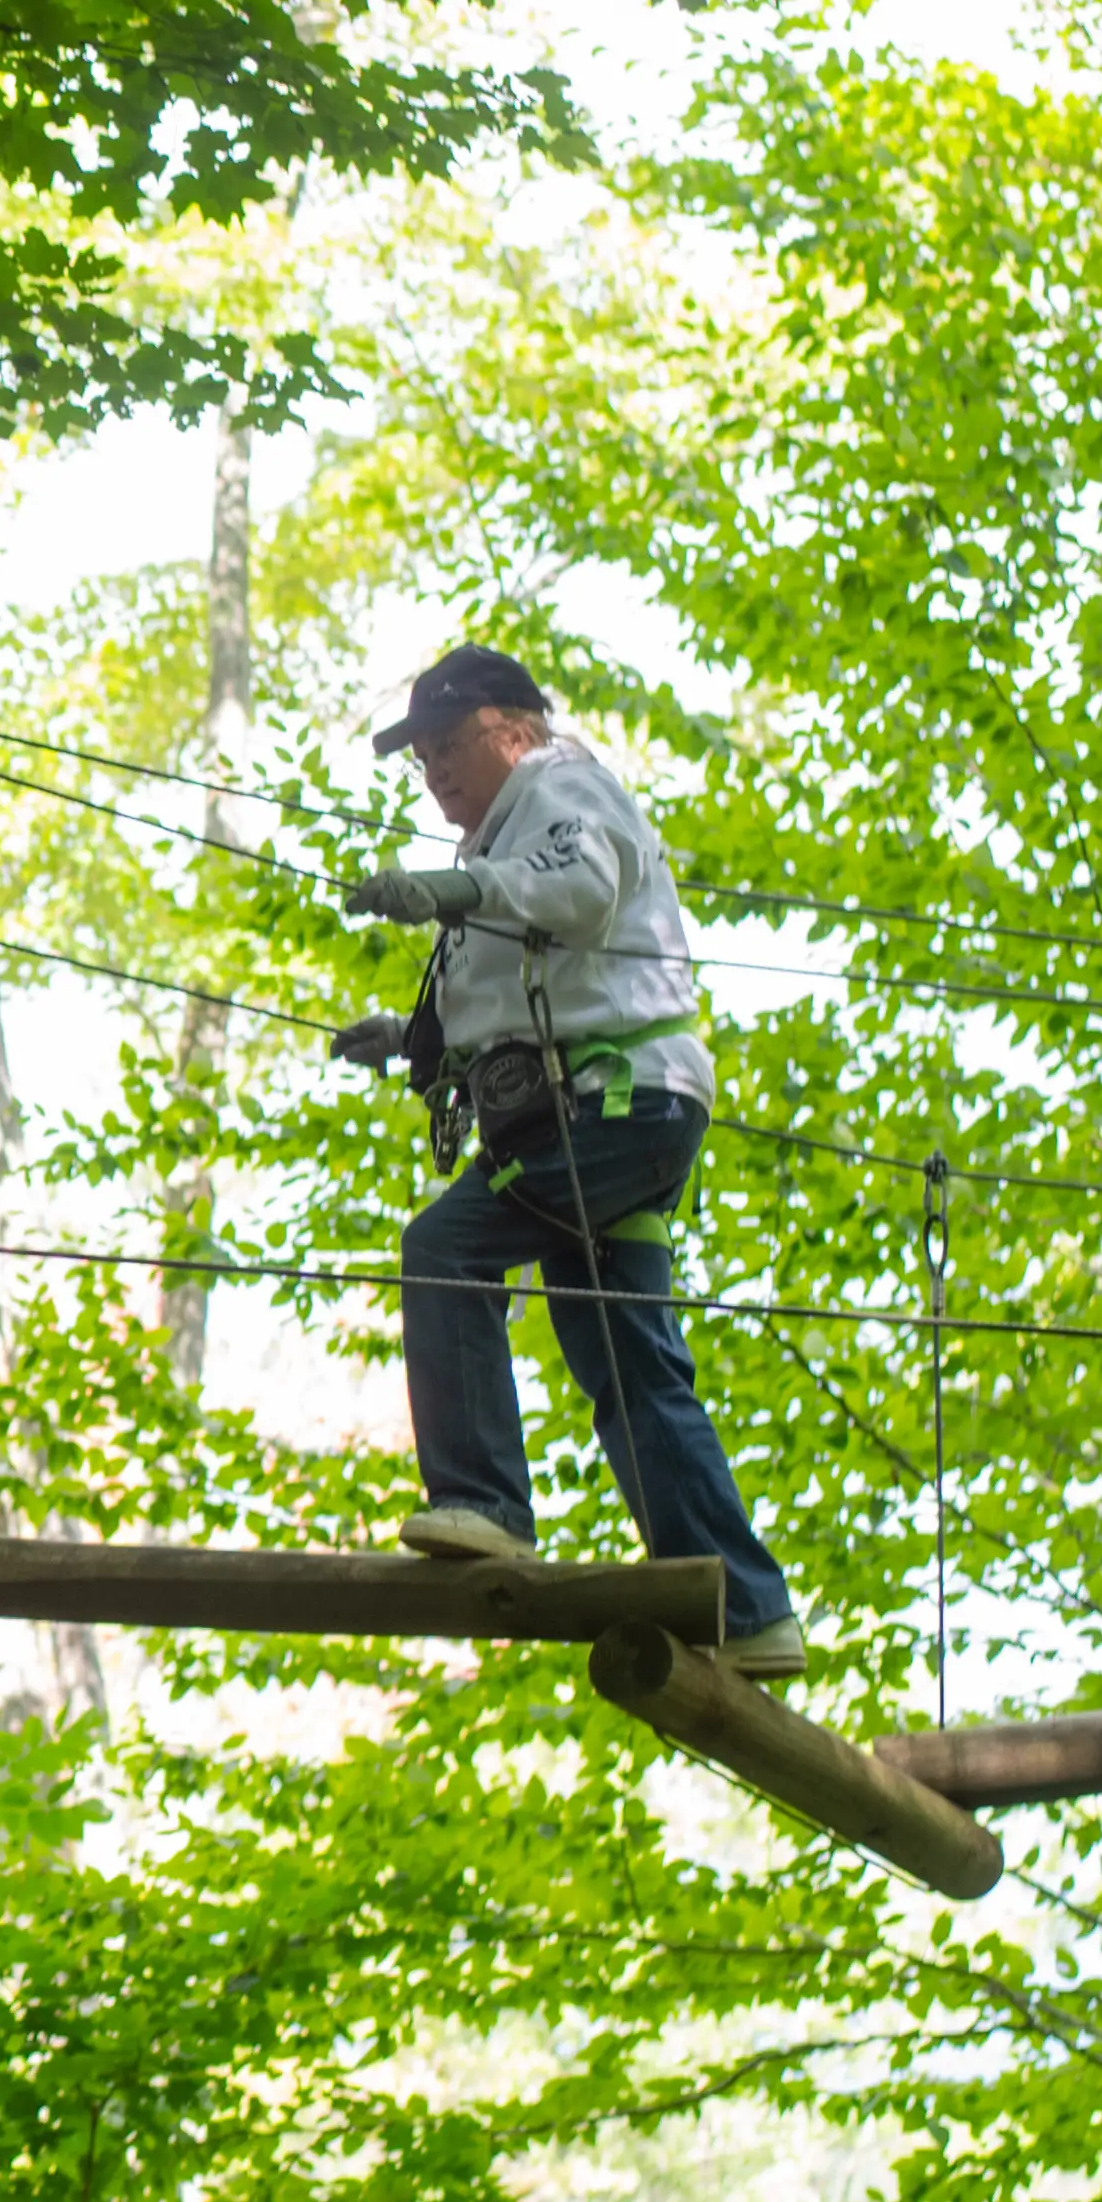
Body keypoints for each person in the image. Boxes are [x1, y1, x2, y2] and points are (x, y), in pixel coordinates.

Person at [323, 645, 805, 1673]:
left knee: (445, 1245)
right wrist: (411, 1040)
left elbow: (577, 892)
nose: (435, 772)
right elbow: (524, 990)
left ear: (511, 728)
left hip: (612, 1108)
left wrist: (443, 889)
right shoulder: (509, 834)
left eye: (449, 744)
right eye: (421, 758)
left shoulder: (561, 788)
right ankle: (747, 1609)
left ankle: (483, 1501)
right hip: (600, 1111)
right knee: (626, 1364)